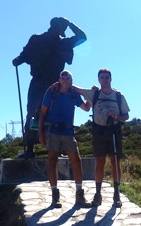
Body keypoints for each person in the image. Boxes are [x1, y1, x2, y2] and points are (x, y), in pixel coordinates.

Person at [12, 17, 87, 159]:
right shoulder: (36, 39)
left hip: (55, 85)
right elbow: (25, 54)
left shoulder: (64, 43)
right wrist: (18, 60)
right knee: (32, 113)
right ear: (53, 27)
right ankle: (29, 148)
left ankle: (59, 149)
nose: (60, 32)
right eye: (59, 28)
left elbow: (82, 37)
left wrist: (70, 23)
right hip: (38, 82)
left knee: (57, 115)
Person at [73, 68, 130, 208]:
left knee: (115, 161)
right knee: (100, 162)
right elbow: (77, 89)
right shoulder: (94, 94)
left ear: (111, 79)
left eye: (107, 77)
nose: (104, 80)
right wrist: (60, 82)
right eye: (102, 77)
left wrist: (117, 117)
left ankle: (116, 194)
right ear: (99, 79)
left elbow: (126, 116)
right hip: (99, 132)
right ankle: (98, 194)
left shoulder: (118, 96)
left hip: (114, 131)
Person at [39, 70, 91, 208]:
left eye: (68, 78)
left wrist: (91, 96)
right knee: (52, 161)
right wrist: (41, 133)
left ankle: (80, 195)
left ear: (71, 81)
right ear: (59, 80)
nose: (65, 80)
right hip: (52, 130)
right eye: (63, 78)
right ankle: (55, 195)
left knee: (76, 161)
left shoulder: (73, 94)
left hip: (68, 131)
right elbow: (42, 114)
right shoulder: (51, 92)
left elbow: (86, 108)